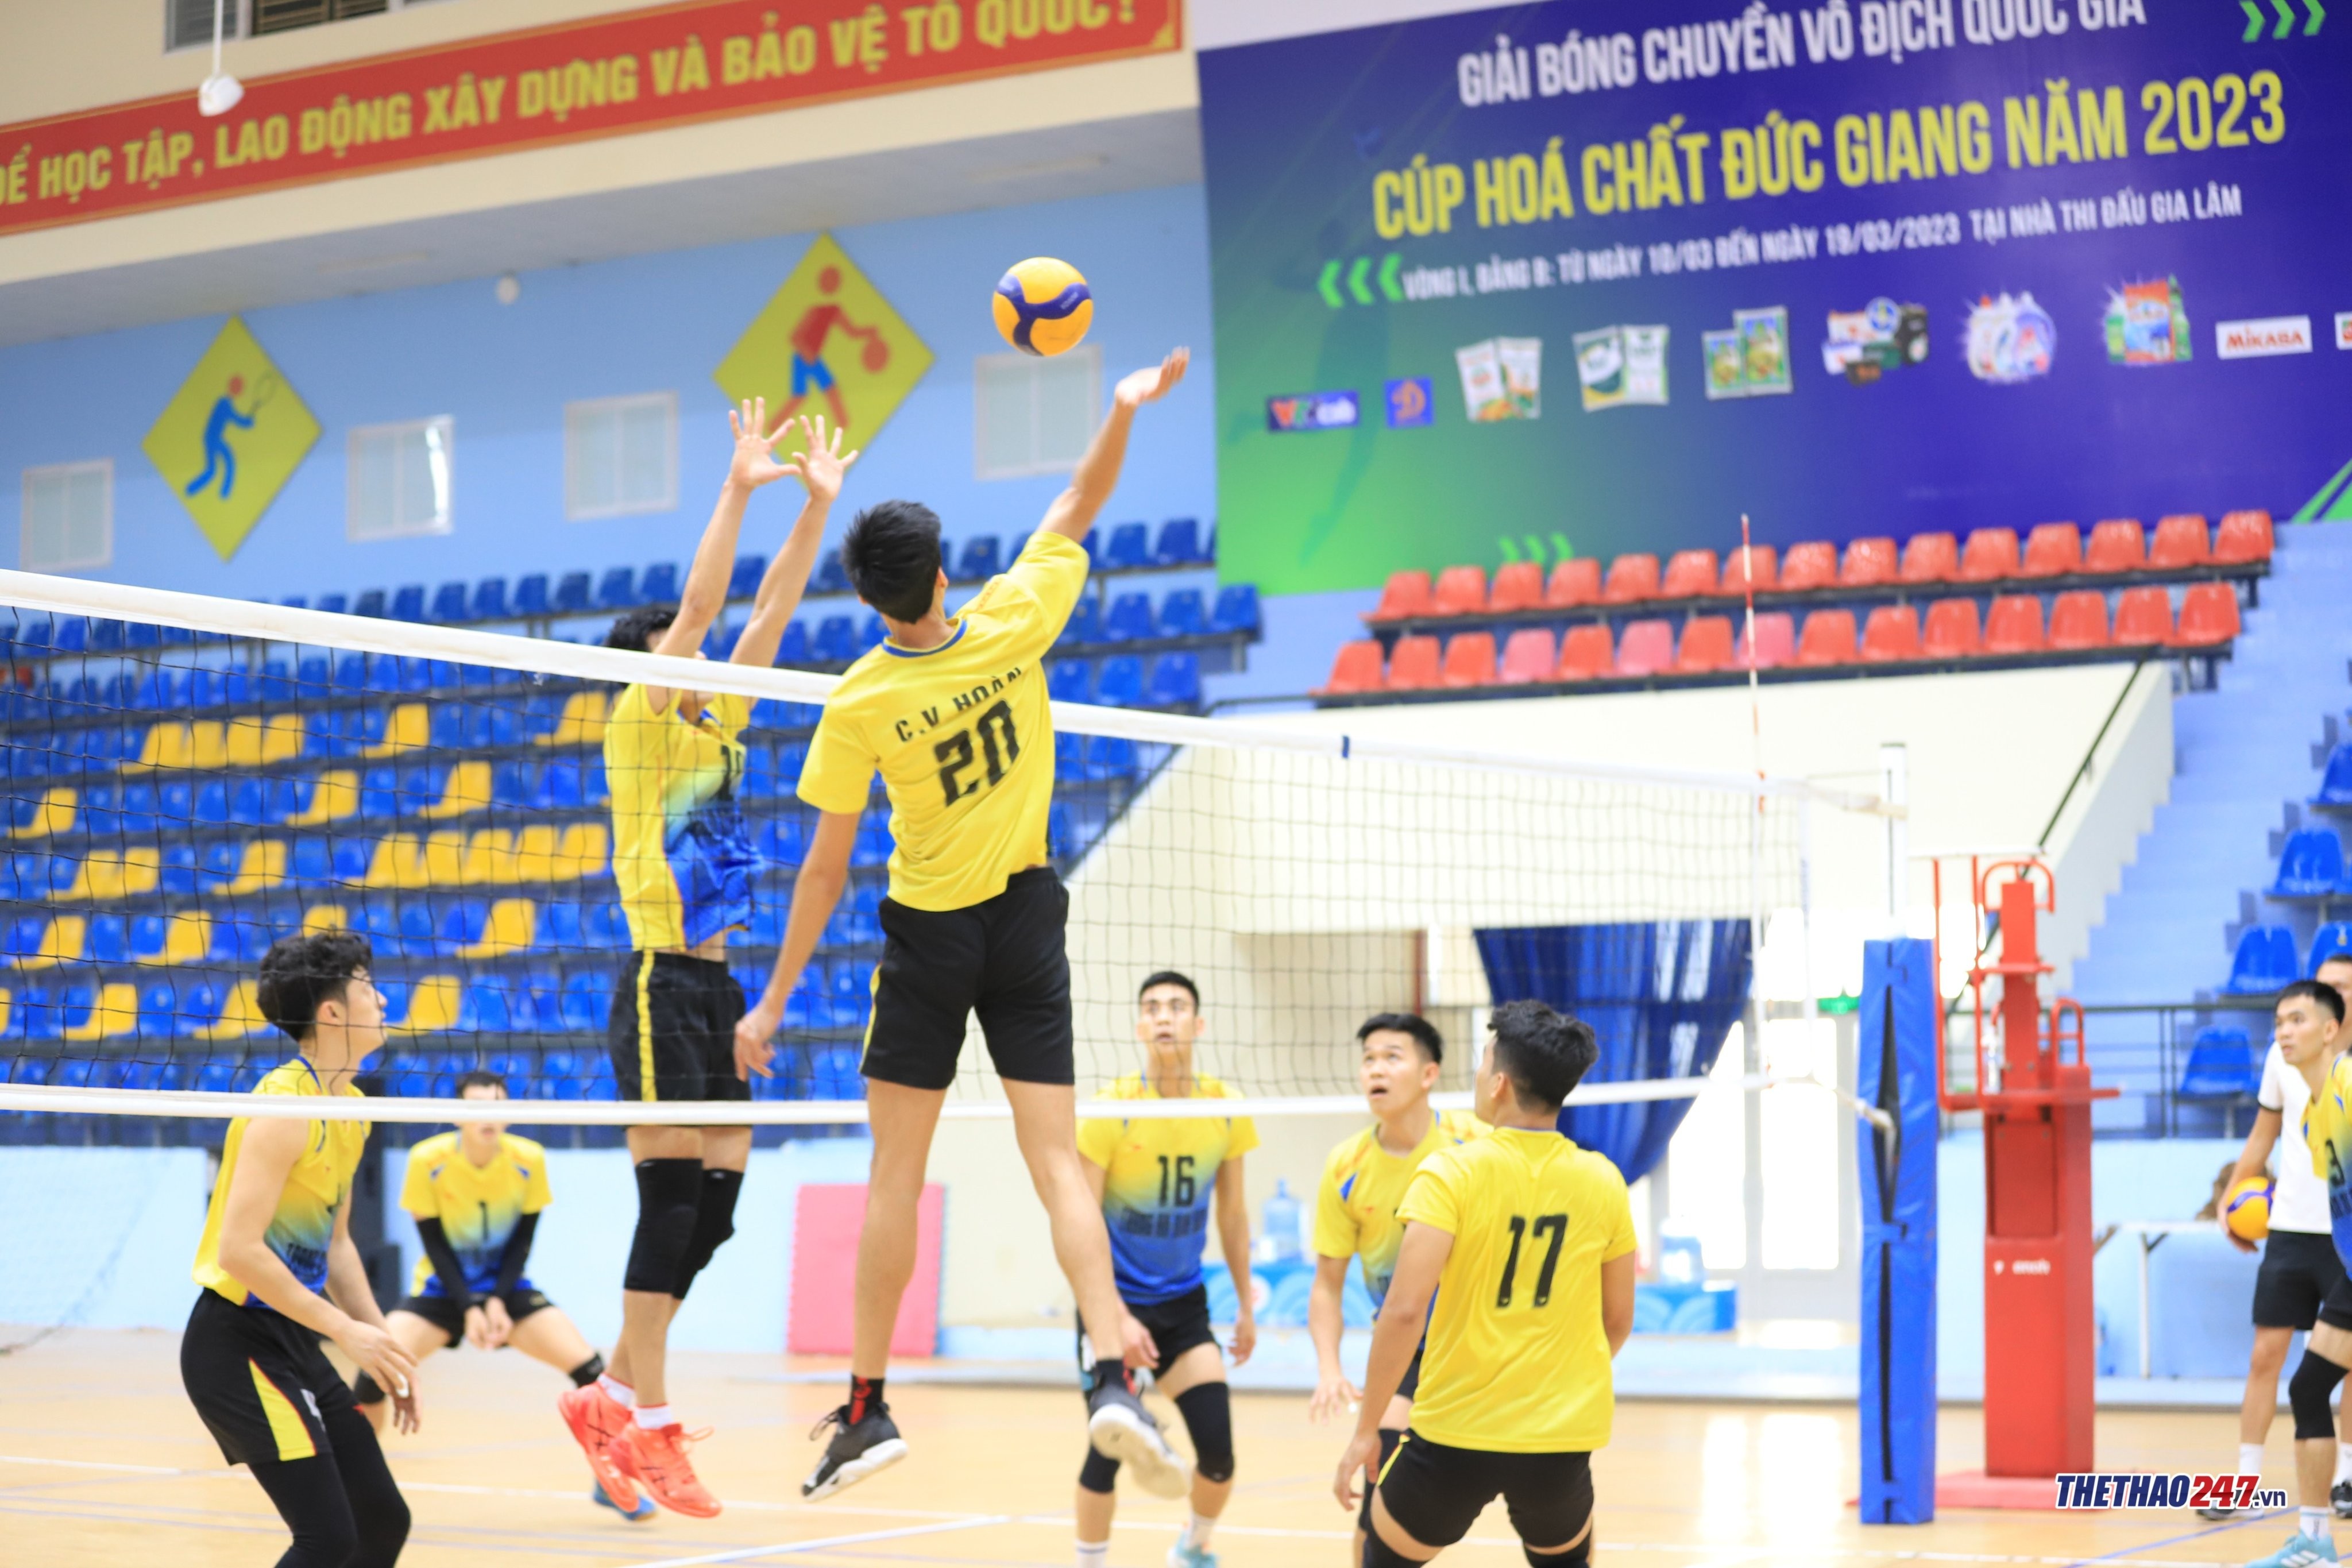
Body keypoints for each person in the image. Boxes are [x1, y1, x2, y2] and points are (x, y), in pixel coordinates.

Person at [731, 347, 1194, 1501]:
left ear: (869, 598)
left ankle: (867, 1409)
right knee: (1057, 1161)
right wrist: (1122, 407)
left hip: (929, 936)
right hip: (1027, 920)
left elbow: (825, 867)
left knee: (895, 1174)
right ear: (942, 574)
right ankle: (1109, 1373)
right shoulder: (1013, 620)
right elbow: (1079, 497)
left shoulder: (858, 699)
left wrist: (776, 999)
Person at [555, 401, 858, 1520]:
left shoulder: (720, 723)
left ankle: (605, 1397)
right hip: (657, 979)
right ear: (649, 664)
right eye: (677, 648)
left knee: (715, 1212)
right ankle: (649, 1420)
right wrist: (738, 486)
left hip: (718, 988)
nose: (698, 652)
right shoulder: (639, 721)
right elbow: (707, 606)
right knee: (671, 1199)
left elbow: (768, 610)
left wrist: (816, 507)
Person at [1335, 999, 1637, 1568]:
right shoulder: (1604, 1180)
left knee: (1383, 1556)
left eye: (1482, 1063)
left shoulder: (1451, 1172)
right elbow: (1617, 1319)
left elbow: (1403, 1312)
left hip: (1455, 1434)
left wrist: (1366, 1430)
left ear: (1499, 1083)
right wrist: (1557, 1384)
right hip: (1560, 1438)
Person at [180, 932, 416, 1568]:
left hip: (293, 1338)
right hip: (236, 1344)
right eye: (368, 988)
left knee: (382, 1520)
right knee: (327, 1539)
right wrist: (344, 1330)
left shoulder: (352, 1108)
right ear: (332, 1011)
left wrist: (384, 1348)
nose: (383, 1000)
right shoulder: (284, 1108)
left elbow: (337, 1245)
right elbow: (239, 1251)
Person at [352, 1072, 651, 1522]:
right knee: (371, 1374)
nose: (487, 1117)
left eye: (497, 1106)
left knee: (594, 1375)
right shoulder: (427, 1159)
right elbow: (435, 1246)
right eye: (477, 1107)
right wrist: (470, 1305)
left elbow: (522, 1243)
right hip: (441, 1290)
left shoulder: (528, 1158)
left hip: (508, 1289)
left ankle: (609, 1482)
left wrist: (494, 1300)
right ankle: (356, 1485)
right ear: (458, 1116)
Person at [1072, 971, 1258, 1568]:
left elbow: (1233, 1215)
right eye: (1152, 1008)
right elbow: (1081, 1225)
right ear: (1139, 1026)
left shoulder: (1225, 1108)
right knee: (1106, 1450)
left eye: (1176, 1007)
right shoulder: (1112, 1109)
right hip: (1113, 1303)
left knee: (1219, 1455)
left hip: (1183, 1305)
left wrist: (1246, 1306)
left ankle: (1192, 1548)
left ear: (1197, 1025)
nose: (1163, 1017)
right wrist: (1115, 1317)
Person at [1307, 1013, 1485, 1565]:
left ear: (1429, 1074)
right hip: (1407, 1352)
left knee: (1535, 1496)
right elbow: (1326, 1286)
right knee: (1377, 1493)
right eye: (1368, 1060)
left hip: (1481, 1345)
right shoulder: (1346, 1165)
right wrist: (1329, 1368)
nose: (1375, 1070)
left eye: (1391, 1057)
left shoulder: (1474, 1143)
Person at [2206, 952, 2352, 1524]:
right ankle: (2254, 1489)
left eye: (2343, 986)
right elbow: (2263, 1137)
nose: (2285, 1031)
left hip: (2344, 1250)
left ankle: (2343, 1478)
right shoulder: (2303, 1091)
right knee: (2286, 1369)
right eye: (2280, 1022)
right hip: (2296, 1232)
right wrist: (2231, 1199)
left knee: (2323, 1376)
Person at [2248, 979, 2352, 1568]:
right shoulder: (2314, 1118)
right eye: (2278, 1022)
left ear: (2331, 1029)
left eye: (2298, 1020)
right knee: (2309, 1388)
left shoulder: (2350, 1083)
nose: (2284, 1032)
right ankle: (2314, 1543)